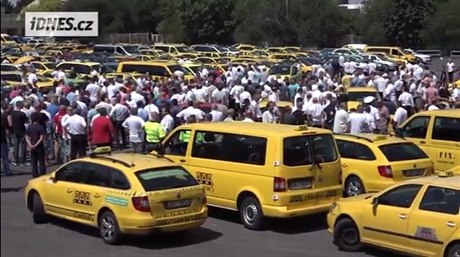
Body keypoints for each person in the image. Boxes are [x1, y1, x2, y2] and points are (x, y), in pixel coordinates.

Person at [26, 113, 47, 178]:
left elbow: (27, 137)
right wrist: (36, 144)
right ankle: (42, 175)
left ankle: (35, 175)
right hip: (39, 146)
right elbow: (42, 138)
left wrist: (30, 144)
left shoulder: (30, 127)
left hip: (32, 146)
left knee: (34, 162)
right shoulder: (41, 127)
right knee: (41, 161)